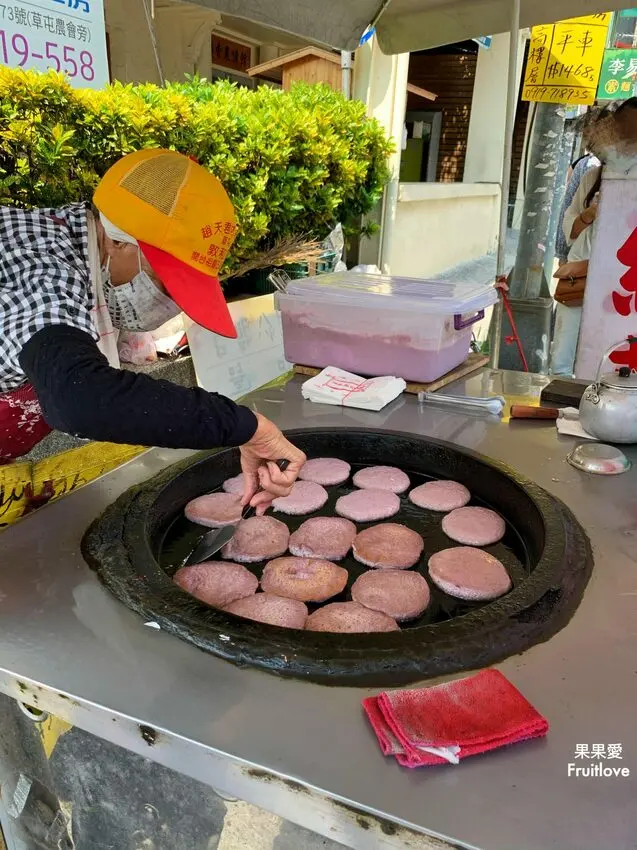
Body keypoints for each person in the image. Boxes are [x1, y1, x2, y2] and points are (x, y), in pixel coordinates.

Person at [0, 148, 305, 511]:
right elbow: (80, 397)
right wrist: (248, 427)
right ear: (117, 242)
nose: (169, 302)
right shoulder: (42, 269)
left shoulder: (80, 247)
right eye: (168, 283)